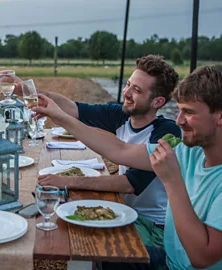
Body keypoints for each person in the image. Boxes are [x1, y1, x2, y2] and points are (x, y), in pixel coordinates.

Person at [34, 65, 222, 269]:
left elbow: (201, 258)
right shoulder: (190, 151)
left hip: (181, 264)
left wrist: (172, 181)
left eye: (189, 112)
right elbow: (119, 151)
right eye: (179, 111)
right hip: (171, 260)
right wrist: (58, 116)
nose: (179, 121)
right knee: (95, 251)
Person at [22, 55, 181, 247]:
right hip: (126, 211)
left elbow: (129, 183)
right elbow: (74, 108)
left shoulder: (167, 132)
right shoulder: (122, 115)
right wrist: (27, 90)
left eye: (136, 90)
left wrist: (68, 182)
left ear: (157, 102)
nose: (127, 93)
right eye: (128, 84)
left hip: (154, 227)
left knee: (89, 240)